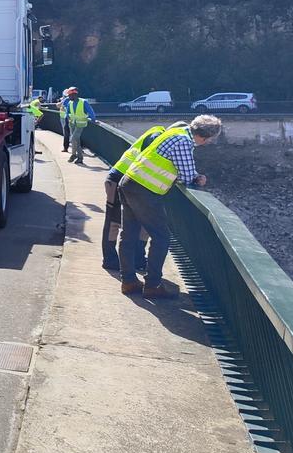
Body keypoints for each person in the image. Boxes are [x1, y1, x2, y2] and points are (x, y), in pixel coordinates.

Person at [118, 114, 222, 299]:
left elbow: (180, 166)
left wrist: (191, 173)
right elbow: (186, 175)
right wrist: (199, 178)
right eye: (210, 140)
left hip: (129, 182)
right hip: (145, 191)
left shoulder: (177, 131)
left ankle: (128, 281)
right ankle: (152, 285)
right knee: (161, 237)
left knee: (128, 234)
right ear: (205, 137)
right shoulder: (183, 142)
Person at [101, 123, 184, 271]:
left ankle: (137, 259)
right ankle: (110, 259)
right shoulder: (157, 136)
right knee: (114, 222)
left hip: (127, 180)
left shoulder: (156, 133)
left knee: (138, 224)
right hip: (120, 178)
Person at [64, 87, 96, 164]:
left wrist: (93, 119)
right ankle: (79, 158)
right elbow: (67, 112)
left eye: (69, 95)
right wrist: (68, 117)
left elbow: (91, 111)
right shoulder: (70, 103)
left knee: (73, 138)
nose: (68, 97)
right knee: (76, 141)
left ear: (74, 95)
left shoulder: (83, 102)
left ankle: (74, 155)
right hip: (72, 123)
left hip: (80, 124)